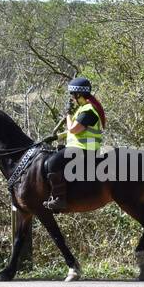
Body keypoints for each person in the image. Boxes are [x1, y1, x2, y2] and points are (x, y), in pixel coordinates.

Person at [42, 77, 105, 212]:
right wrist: (56, 137)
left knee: (53, 162)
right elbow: (76, 131)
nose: (71, 98)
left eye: (72, 94)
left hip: (85, 149)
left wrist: (68, 115)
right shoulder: (83, 109)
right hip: (79, 148)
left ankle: (59, 199)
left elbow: (73, 129)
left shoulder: (89, 110)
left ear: (79, 94)